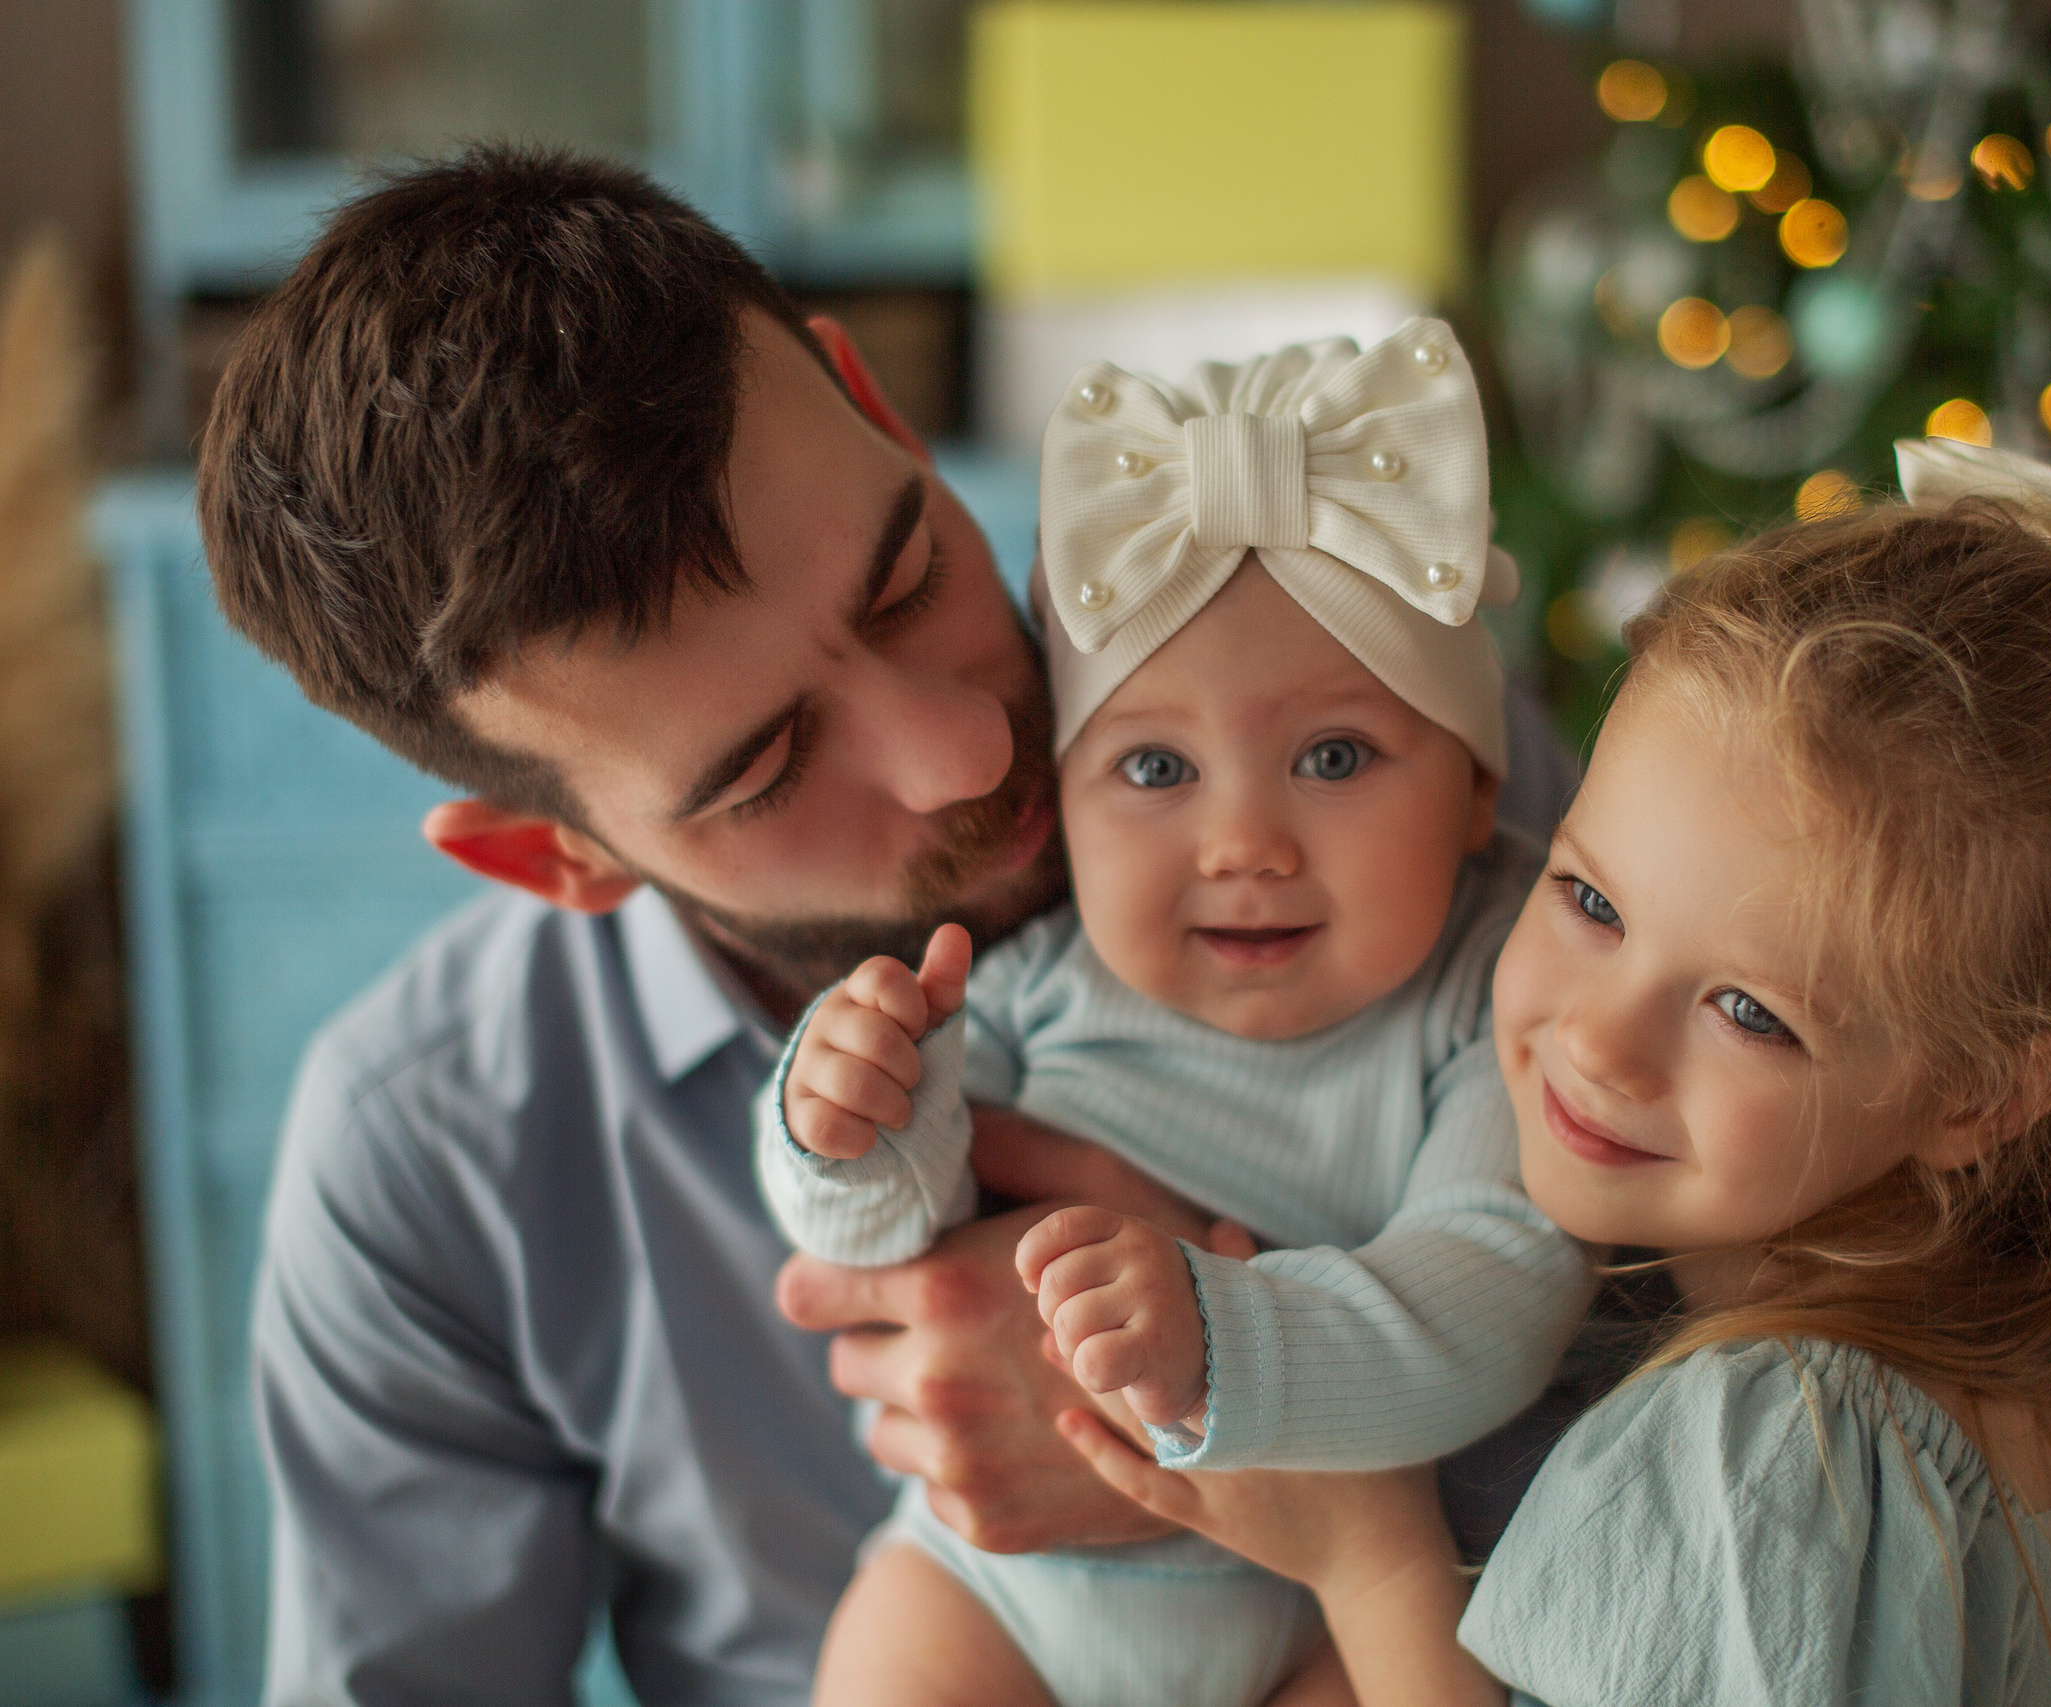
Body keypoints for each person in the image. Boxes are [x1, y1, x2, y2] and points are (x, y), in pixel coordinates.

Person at [195, 148, 1580, 1704]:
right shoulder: (426, 1157)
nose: (968, 751)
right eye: (769, 768)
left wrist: (1283, 1462)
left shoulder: (1377, 734)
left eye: (908, 576)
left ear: (871, 400)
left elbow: (1777, 1367)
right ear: (555, 856)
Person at [1050, 439, 2051, 1706]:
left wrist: (1370, 1558)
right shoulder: (2044, 1443)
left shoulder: (1776, 1459)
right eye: (1589, 902)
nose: (1598, 1040)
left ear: (1983, 1097)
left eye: (1748, 1012)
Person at [760, 326, 1596, 1707]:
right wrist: (847, 1122)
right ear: (1063, 807)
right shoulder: (1035, 982)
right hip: (997, 1603)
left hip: (1314, 1612)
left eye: (1335, 756)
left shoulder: (1485, 991)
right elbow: (891, 1230)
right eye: (1154, 764)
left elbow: (1498, 1292)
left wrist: (1224, 1336)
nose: (1243, 841)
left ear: (1472, 793)